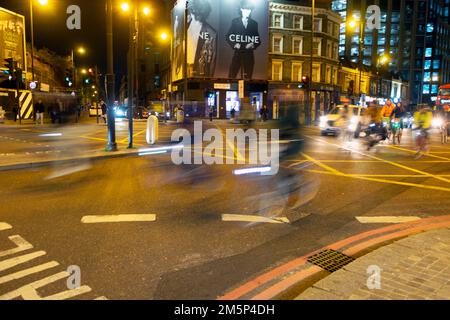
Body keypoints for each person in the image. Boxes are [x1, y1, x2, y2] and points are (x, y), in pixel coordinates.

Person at [226, 0, 261, 79]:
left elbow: (258, 40)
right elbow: (228, 36)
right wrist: (235, 44)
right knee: (231, 76)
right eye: (246, 9)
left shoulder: (254, 23)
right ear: (241, 9)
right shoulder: (235, 21)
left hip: (249, 55)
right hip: (238, 53)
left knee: (248, 78)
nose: (248, 12)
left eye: (249, 10)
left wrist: (252, 44)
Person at [187, 0, 217, 77]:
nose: (195, 16)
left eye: (197, 14)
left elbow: (212, 59)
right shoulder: (184, 26)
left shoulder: (211, 33)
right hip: (183, 69)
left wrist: (209, 78)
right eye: (192, 13)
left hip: (200, 71)